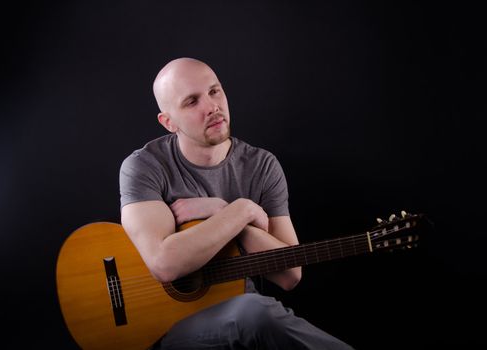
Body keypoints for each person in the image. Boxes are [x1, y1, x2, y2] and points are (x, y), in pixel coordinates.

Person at [119, 57, 354, 349]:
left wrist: (225, 211)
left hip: (239, 317)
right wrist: (243, 211)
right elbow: (164, 265)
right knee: (254, 311)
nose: (212, 107)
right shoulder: (145, 166)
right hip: (165, 330)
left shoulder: (261, 166)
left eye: (215, 91)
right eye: (192, 102)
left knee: (252, 311)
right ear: (168, 122)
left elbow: (290, 274)